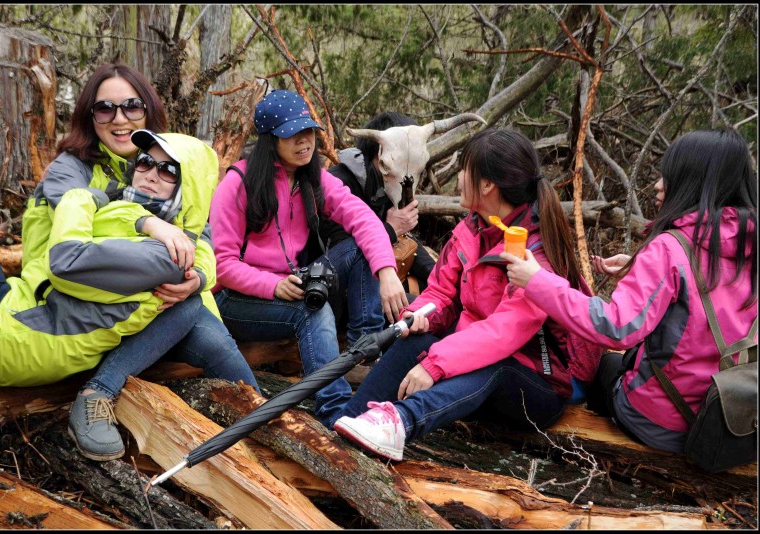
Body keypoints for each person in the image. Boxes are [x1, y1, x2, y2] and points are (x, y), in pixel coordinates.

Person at [0, 130, 258, 461]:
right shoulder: (138, 222)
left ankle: (98, 392)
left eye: (168, 170)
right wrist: (145, 222)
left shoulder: (166, 254)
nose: (150, 174)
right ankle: (262, 418)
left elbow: (64, 261)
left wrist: (82, 197)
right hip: (14, 325)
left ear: (188, 187)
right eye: (145, 162)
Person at [333, 128, 597, 461]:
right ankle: (345, 425)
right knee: (415, 335)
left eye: (463, 170)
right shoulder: (473, 228)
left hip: (542, 384)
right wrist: (420, 316)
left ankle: (399, 423)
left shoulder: (535, 254)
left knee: (495, 363)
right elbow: (442, 292)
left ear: (486, 185)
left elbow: (502, 334)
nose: (459, 179)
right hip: (478, 357)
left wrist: (434, 365)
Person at [503, 128, 757, 454]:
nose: (658, 185)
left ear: (694, 184)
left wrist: (537, 281)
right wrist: (639, 269)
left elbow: (616, 327)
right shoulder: (748, 244)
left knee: (602, 367)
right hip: (735, 417)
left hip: (665, 425)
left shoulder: (669, 250)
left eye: (669, 177)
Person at [209, 89, 408, 429]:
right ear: (271, 140)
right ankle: (335, 412)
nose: (304, 141)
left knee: (361, 246)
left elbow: (363, 219)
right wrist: (273, 286)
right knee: (312, 311)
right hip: (236, 298)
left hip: (293, 279)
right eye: (292, 134)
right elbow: (222, 265)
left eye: (308, 131)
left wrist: (387, 271)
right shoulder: (237, 184)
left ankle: (363, 353)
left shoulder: (313, 179)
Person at [22, 62, 204, 310]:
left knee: (199, 318)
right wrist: (146, 222)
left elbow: (200, 229)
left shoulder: (168, 158)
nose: (119, 119)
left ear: (149, 111)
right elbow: (73, 221)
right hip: (64, 297)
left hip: (148, 292)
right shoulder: (68, 169)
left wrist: (198, 278)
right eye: (105, 109)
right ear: (89, 117)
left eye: (132, 106)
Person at [323, 112, 436, 299]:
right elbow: (342, 255)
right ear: (380, 154)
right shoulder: (338, 186)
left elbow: (405, 240)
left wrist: (441, 279)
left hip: (380, 276)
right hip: (341, 292)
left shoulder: (387, 183)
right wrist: (391, 228)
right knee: (423, 308)